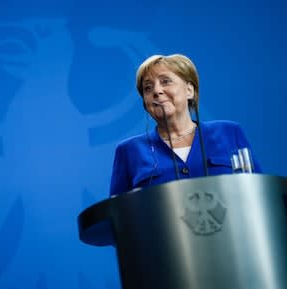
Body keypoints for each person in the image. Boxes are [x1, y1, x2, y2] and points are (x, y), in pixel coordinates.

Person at [110, 54, 262, 196]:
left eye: (165, 81)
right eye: (147, 88)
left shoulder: (229, 133)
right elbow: (116, 216)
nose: (156, 91)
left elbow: (260, 192)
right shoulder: (128, 151)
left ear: (189, 90)